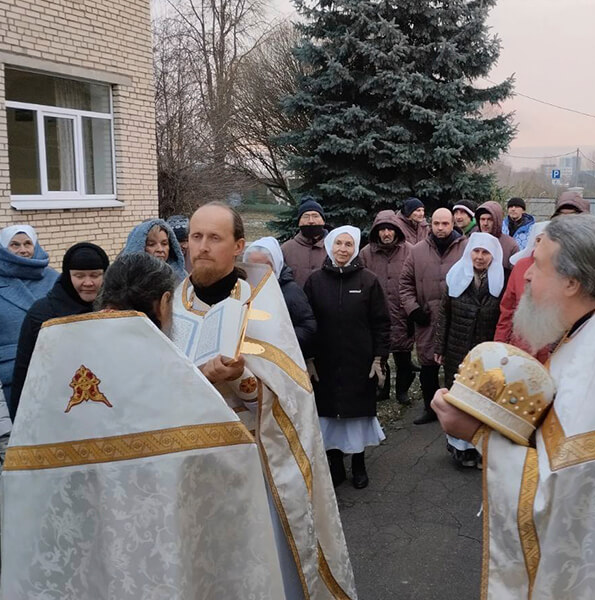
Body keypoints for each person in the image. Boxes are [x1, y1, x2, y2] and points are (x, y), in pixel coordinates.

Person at [1, 251, 288, 599]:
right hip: (154, 547)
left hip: (72, 536)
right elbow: (228, 455)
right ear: (165, 303)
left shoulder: (56, 344)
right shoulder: (158, 357)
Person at [432, 215, 595, 598]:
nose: (524, 276)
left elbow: (565, 491)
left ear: (572, 282)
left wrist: (477, 435)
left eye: (538, 265)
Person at [174, 202, 357, 598]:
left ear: (238, 245)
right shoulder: (170, 305)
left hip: (256, 464)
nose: (202, 246)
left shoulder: (262, 302)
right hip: (192, 466)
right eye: (196, 237)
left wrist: (242, 378)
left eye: (215, 238)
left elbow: (290, 390)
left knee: (264, 564)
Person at [305, 226, 390, 489]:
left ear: (355, 249)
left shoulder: (368, 280)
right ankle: (336, 466)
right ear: (330, 246)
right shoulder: (314, 281)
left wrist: (379, 359)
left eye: (349, 245)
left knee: (356, 418)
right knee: (329, 418)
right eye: (339, 244)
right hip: (325, 363)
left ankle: (359, 465)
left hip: (359, 361)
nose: (343, 249)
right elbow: (306, 323)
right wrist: (308, 359)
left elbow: (382, 323)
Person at [8, 242, 109, 420]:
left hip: (105, 406)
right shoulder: (42, 313)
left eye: (95, 275)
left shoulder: (115, 310)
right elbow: (24, 370)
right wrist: (20, 422)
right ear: (67, 276)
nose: (88, 283)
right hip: (57, 409)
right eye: (79, 276)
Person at [434, 232, 504, 468]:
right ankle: (461, 450)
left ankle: (482, 449)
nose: (480, 257)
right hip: (458, 348)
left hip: (487, 353)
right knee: (460, 400)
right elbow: (444, 313)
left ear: (493, 256)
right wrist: (439, 346)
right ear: (469, 252)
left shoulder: (501, 280)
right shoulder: (456, 276)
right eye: (476, 251)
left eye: (486, 253)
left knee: (484, 401)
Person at [399, 207, 467, 424]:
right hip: (426, 319)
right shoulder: (417, 251)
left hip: (457, 319)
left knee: (458, 366)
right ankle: (430, 409)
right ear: (430, 224)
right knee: (428, 366)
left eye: (445, 224)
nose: (440, 228)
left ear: (452, 224)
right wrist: (414, 309)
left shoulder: (466, 248)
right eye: (436, 223)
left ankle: (459, 411)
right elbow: (405, 284)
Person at [359, 210, 415, 405]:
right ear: (376, 232)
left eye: (390, 229)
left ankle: (402, 390)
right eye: (382, 230)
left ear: (396, 231)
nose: (386, 234)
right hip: (376, 312)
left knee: (403, 358)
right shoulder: (366, 253)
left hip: (402, 312)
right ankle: (383, 389)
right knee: (380, 355)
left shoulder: (410, 250)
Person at [0, 225, 57, 404]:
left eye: (27, 244)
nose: (23, 250)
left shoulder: (54, 278)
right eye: (15, 245)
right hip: (12, 374)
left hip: (54, 369)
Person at [244, 237, 317, 357]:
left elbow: (308, 326)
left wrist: (281, 340)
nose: (258, 271)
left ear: (275, 265)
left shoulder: (291, 291)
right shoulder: (244, 290)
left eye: (264, 266)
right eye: (253, 266)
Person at [494, 221, 551, 362]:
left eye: (546, 240)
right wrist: (500, 343)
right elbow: (507, 308)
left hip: (549, 347)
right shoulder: (521, 266)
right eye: (538, 240)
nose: (541, 245)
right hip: (520, 345)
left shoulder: (561, 268)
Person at [281, 197, 329, 288]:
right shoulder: (286, 249)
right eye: (306, 216)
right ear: (299, 222)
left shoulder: (334, 247)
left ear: (323, 220)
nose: (311, 221)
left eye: (315, 216)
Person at [122, 219, 187, 281]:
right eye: (151, 244)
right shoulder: (126, 279)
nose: (160, 249)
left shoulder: (180, 278)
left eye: (164, 244)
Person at [474, 200, 519, 270]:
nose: (485, 223)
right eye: (482, 219)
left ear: (497, 221)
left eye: (490, 219)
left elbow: (515, 273)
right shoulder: (472, 241)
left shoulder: (510, 245)